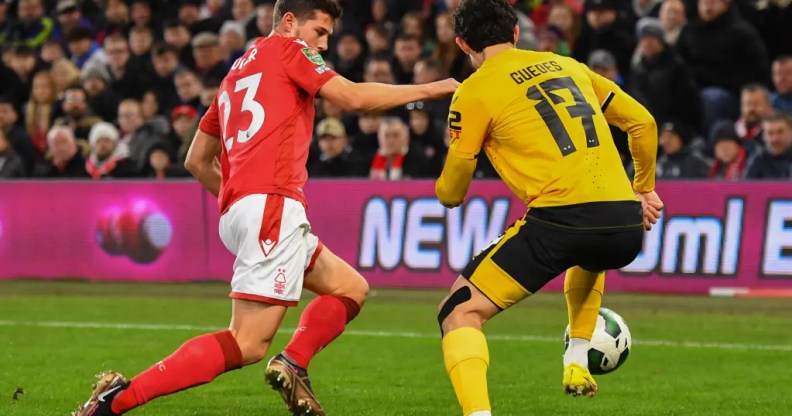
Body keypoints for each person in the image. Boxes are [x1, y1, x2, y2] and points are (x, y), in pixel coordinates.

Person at [72, 1, 458, 416]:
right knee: (246, 342)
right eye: (320, 32)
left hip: (244, 210)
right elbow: (353, 98)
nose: (323, 45)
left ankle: (294, 363)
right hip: (271, 206)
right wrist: (434, 88)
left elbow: (196, 161)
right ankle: (116, 402)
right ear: (289, 22)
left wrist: (241, 198)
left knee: (351, 288)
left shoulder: (234, 73)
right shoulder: (291, 50)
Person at [432, 2, 663, 415]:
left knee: (458, 311)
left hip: (562, 220)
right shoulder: (567, 65)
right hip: (626, 224)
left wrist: (461, 150)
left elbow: (451, 194)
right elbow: (642, 122)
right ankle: (576, 359)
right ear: (517, 34)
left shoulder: (475, 90)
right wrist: (643, 188)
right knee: (590, 251)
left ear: (462, 43)